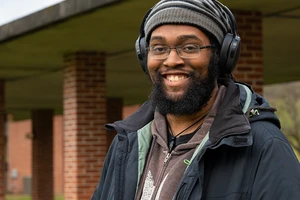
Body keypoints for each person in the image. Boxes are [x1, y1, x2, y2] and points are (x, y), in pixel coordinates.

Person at [92, 0, 300, 199]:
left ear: (222, 56)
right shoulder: (127, 142)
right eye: (159, 48)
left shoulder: (263, 146)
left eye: (190, 47)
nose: (172, 60)